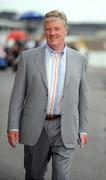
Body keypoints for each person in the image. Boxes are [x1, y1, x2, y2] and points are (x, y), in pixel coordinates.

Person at [7, 10, 88, 180]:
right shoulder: (28, 58)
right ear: (44, 31)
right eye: (48, 29)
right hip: (36, 126)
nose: (53, 33)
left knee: (61, 176)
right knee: (34, 175)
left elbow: (82, 98)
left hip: (65, 127)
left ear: (66, 30)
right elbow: (17, 96)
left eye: (57, 28)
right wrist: (13, 126)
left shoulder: (79, 59)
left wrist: (83, 128)